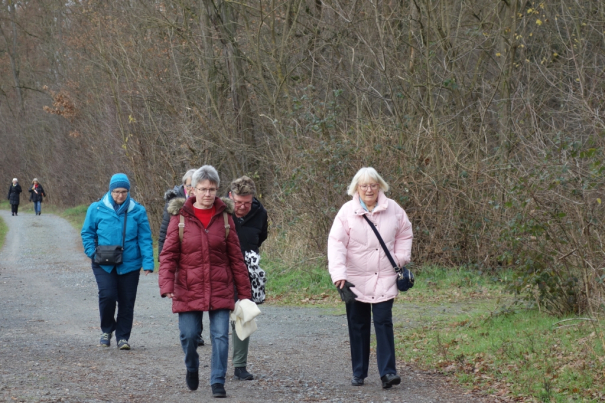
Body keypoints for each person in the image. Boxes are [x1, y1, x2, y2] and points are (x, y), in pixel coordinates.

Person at [159, 165, 251, 398]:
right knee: (189, 335)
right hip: (188, 286)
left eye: (212, 189)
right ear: (192, 190)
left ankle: (217, 380)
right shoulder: (179, 218)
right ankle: (192, 366)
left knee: (220, 335)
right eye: (203, 189)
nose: (208, 194)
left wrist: (245, 293)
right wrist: (167, 285)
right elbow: (168, 254)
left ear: (217, 190)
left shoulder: (225, 218)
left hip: (220, 285)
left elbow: (236, 258)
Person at [328, 167, 413, 389]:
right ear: (356, 187)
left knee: (384, 322)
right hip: (354, 279)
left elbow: (405, 232)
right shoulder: (346, 212)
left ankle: (388, 372)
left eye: (373, 185)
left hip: (385, 276)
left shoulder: (393, 209)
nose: (369, 189)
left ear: (380, 186)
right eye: (364, 185)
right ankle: (359, 372)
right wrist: (339, 276)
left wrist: (400, 258)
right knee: (358, 324)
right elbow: (336, 244)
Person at [81, 173, 154, 350]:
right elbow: (87, 233)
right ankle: (107, 330)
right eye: (116, 192)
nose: (120, 195)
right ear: (110, 191)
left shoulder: (138, 210)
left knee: (127, 300)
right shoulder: (96, 208)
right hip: (103, 262)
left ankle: (123, 337)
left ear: (128, 191)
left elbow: (145, 238)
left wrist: (148, 262)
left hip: (130, 263)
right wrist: (92, 253)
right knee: (107, 295)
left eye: (123, 191)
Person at [158, 169, 207, 346]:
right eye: (189, 185)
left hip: (200, 259)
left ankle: (197, 333)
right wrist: (162, 258)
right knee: (187, 296)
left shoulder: (207, 204)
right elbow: (165, 232)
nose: (193, 190)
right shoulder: (174, 204)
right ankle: (190, 333)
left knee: (201, 294)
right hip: (181, 258)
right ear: (185, 186)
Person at [227, 176, 268, 381]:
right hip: (221, 269)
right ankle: (216, 362)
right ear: (230, 196)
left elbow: (262, 237)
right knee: (219, 317)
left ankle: (240, 365)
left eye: (247, 203)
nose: (242, 207)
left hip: (247, 270)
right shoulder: (220, 212)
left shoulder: (260, 213)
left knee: (242, 315)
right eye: (238, 202)